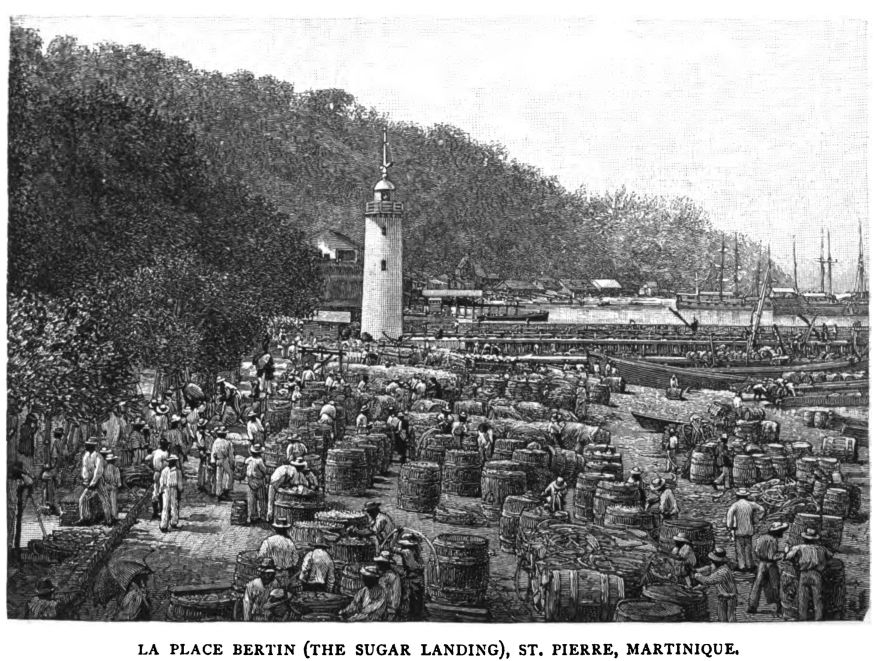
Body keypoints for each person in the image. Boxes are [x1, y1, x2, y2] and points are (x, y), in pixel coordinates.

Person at [784, 527, 832, 621]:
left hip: (804, 574)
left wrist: (787, 550)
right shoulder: (821, 548)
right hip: (816, 574)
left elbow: (788, 557)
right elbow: (830, 555)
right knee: (818, 599)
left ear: (804, 538)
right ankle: (818, 619)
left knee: (802, 599)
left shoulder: (799, 547)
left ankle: (803, 619)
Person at [747, 521, 789, 616]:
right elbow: (771, 556)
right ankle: (778, 607)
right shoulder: (773, 540)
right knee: (775, 585)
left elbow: (756, 551)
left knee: (757, 585)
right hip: (770, 565)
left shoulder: (761, 538)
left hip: (761, 564)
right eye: (781, 531)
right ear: (777, 531)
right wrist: (783, 554)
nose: (782, 533)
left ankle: (752, 606)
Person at [726, 488, 766, 571]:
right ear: (747, 496)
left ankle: (742, 566)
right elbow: (762, 509)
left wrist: (730, 527)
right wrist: (759, 518)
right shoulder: (751, 504)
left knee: (740, 549)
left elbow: (729, 516)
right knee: (748, 547)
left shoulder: (735, 505)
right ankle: (749, 564)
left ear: (738, 496)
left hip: (739, 530)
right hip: (749, 529)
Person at [694, 547, 737, 622]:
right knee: (723, 617)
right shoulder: (723, 567)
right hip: (724, 597)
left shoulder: (722, 572)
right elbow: (709, 569)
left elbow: (708, 580)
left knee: (729, 618)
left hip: (728, 598)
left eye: (712, 561)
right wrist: (697, 570)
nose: (711, 563)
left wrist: (697, 576)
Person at [77, 437, 110, 526]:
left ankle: (108, 519)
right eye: (87, 445)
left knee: (104, 499)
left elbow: (98, 471)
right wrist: (86, 479)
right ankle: (84, 518)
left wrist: (93, 482)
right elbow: (84, 469)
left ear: (93, 446)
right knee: (83, 499)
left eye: (89, 445)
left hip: (98, 480)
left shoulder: (98, 456)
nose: (86, 446)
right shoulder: (86, 456)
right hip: (89, 480)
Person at [259, 517, 300, 586]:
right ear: (286, 529)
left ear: (275, 529)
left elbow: (261, 556)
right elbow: (295, 560)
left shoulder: (269, 541)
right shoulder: (290, 543)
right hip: (285, 574)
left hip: (270, 575)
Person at [395, 534, 424, 620]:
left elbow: (392, 548)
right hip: (418, 576)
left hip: (412, 576)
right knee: (417, 596)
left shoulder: (406, 552)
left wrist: (396, 535)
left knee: (411, 596)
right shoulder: (416, 551)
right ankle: (417, 614)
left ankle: (411, 614)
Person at [145, 438, 170, 520]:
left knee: (161, 491)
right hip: (159, 472)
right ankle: (156, 512)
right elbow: (147, 459)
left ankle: (161, 510)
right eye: (166, 445)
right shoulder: (159, 453)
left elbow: (147, 458)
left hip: (163, 472)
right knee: (158, 491)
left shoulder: (161, 452)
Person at [374, 550, 403, 621]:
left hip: (389, 608)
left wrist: (391, 609)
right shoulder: (387, 575)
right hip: (385, 607)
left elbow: (394, 594)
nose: (378, 565)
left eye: (380, 563)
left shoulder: (391, 576)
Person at [40, 428, 63, 515]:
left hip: (55, 468)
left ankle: (49, 504)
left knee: (46, 478)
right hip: (57, 468)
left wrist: (50, 466)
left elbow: (54, 457)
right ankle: (50, 504)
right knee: (51, 484)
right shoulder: (60, 442)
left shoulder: (56, 442)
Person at [245, 445, 269, 524]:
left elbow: (246, 469)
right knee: (262, 498)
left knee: (252, 499)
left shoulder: (248, 460)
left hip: (250, 480)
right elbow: (264, 470)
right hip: (258, 480)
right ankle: (262, 515)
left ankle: (253, 515)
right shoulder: (259, 461)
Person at [159, 455, 183, 532]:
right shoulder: (165, 471)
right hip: (166, 489)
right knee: (166, 506)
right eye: (172, 461)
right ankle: (164, 525)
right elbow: (162, 482)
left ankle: (173, 522)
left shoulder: (177, 471)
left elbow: (179, 483)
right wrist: (161, 490)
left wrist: (179, 490)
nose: (172, 463)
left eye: (173, 461)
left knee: (174, 505)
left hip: (174, 489)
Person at [211, 426, 235, 501]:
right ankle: (226, 490)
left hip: (218, 460)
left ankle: (219, 493)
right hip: (224, 460)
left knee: (219, 477)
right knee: (229, 474)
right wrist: (232, 463)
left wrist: (213, 461)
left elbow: (213, 452)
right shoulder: (228, 443)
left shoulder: (215, 442)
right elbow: (231, 455)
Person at [103, 452, 122, 524]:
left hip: (106, 486)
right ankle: (114, 517)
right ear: (113, 461)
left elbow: (103, 478)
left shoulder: (105, 468)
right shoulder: (116, 468)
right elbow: (118, 481)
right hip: (113, 486)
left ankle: (108, 518)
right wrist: (119, 484)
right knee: (113, 502)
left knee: (107, 502)